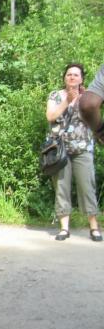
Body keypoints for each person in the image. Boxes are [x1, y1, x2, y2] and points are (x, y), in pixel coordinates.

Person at [45, 63, 101, 241]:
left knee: (87, 187)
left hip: (83, 148)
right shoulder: (55, 95)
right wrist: (67, 101)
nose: (72, 77)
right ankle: (64, 228)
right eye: (69, 74)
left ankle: (94, 227)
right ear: (64, 77)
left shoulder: (88, 97)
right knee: (61, 188)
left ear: (82, 79)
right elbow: (50, 116)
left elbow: (93, 118)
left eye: (76, 75)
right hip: (59, 150)